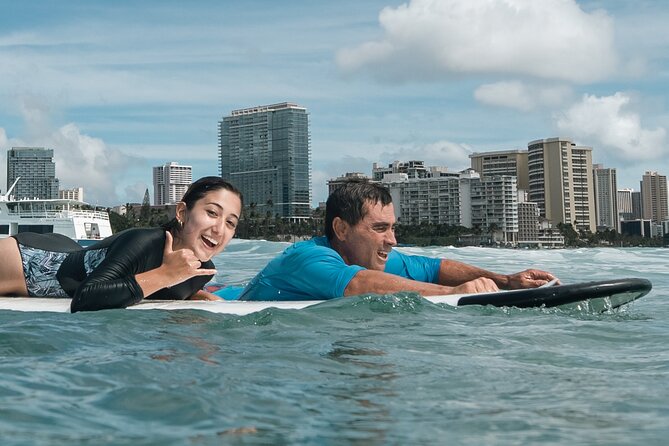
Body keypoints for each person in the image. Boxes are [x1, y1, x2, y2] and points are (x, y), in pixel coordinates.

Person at [238, 179, 556, 301]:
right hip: (227, 303)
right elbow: (358, 286)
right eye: (380, 228)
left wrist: (505, 280)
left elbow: (434, 267)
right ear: (341, 229)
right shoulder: (308, 258)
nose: (392, 239)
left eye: (392, 227)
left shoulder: (377, 257)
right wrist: (455, 294)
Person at [0, 176, 242, 312]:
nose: (219, 229)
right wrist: (165, 275)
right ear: (181, 212)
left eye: (231, 223)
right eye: (212, 213)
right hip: (27, 264)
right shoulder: (144, 242)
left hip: (70, 249)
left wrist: (197, 296)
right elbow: (85, 298)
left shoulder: (201, 271)